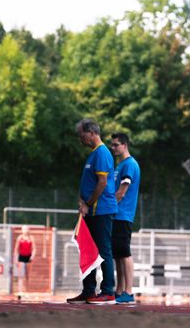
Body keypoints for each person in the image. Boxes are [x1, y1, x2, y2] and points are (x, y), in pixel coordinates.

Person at [67, 119, 117, 305]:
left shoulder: (102, 153)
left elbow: (102, 183)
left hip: (100, 210)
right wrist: (82, 202)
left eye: (82, 135)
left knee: (103, 250)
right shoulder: (94, 154)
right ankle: (88, 291)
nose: (80, 139)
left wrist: (88, 203)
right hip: (90, 211)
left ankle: (108, 290)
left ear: (92, 133)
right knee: (88, 250)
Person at [109, 133, 140, 304]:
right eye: (112, 145)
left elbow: (121, 192)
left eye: (116, 145)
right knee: (118, 254)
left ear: (125, 145)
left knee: (125, 252)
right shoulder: (120, 165)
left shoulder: (129, 165)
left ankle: (128, 291)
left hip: (123, 215)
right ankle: (119, 290)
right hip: (117, 215)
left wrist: (107, 207)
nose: (113, 148)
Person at [13, 225, 37, 294]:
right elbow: (16, 249)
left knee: (27, 275)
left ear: (28, 230)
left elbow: (34, 249)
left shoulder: (31, 238)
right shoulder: (20, 238)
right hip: (21, 257)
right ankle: (20, 291)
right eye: (24, 229)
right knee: (21, 275)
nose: (25, 231)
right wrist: (16, 259)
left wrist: (32, 257)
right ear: (22, 230)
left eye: (26, 229)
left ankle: (27, 290)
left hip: (28, 257)